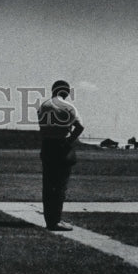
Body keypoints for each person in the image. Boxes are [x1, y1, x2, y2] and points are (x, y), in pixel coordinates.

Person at [37, 80, 85, 231]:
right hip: (61, 146)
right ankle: (56, 221)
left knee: (48, 186)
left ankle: (49, 219)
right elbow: (80, 126)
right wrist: (69, 141)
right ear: (66, 92)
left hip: (47, 146)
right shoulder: (69, 107)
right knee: (60, 186)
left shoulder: (43, 106)